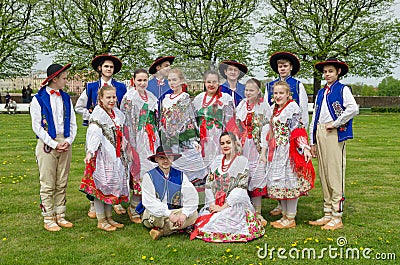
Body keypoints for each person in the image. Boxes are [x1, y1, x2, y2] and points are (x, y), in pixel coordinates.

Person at [308, 58, 359, 230]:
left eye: (330, 71)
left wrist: (336, 123)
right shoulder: (322, 92)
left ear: (338, 72)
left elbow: (353, 109)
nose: (327, 74)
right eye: (325, 71)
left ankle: (337, 215)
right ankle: (327, 212)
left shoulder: (342, 89)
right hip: (320, 131)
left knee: (334, 173)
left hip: (334, 132)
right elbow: (315, 116)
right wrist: (312, 140)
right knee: (324, 173)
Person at [75, 54, 127, 218]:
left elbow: (121, 111)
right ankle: (95, 207)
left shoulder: (120, 87)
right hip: (98, 137)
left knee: (113, 173)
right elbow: (80, 107)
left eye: (111, 67)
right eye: (106, 66)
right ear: (100, 68)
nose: (109, 69)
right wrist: (91, 117)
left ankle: (113, 204)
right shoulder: (91, 87)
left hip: (114, 137)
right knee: (100, 176)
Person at [190, 132, 265, 242]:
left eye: (228, 143)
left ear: (235, 144)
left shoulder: (242, 161)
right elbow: (209, 184)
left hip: (232, 204)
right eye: (222, 143)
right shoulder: (217, 161)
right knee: (208, 219)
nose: (225, 146)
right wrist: (212, 204)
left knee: (222, 220)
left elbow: (240, 188)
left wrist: (222, 207)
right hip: (216, 203)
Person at [260, 81, 315, 229]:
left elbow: (298, 130)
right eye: (276, 93)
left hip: (288, 151)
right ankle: (284, 215)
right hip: (276, 151)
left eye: (281, 93)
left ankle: (290, 217)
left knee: (290, 183)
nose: (278, 96)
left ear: (288, 94)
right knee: (280, 184)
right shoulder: (274, 109)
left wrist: (305, 147)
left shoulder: (292, 108)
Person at [30, 63, 77, 232]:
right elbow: (37, 127)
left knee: (62, 181)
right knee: (48, 182)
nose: (66, 80)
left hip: (64, 141)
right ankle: (48, 216)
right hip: (47, 143)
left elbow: (73, 123)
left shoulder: (65, 98)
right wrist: (54, 144)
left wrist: (68, 141)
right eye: (64, 78)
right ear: (55, 79)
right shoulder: (38, 99)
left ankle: (60, 214)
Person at [264, 51, 309, 217]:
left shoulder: (297, 85)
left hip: (290, 137)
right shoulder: (270, 86)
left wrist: (303, 141)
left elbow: (302, 113)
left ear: (291, 67)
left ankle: (289, 212)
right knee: (277, 173)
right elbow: (267, 111)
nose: (282, 69)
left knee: (289, 174)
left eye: (285, 66)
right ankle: (280, 205)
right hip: (276, 138)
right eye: (279, 66)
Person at [79, 85, 129, 231]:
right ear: (101, 98)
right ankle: (101, 219)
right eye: (108, 97)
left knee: (111, 186)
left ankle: (109, 217)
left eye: (114, 97)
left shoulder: (117, 114)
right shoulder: (98, 115)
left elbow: (120, 132)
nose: (112, 100)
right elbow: (94, 135)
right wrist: (90, 152)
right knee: (102, 186)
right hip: (103, 156)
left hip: (116, 155)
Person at [121, 68, 160, 223]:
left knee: (152, 170)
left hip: (152, 138)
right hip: (138, 139)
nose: (142, 83)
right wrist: (130, 145)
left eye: (145, 80)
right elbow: (126, 123)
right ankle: (134, 207)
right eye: (139, 80)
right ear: (134, 80)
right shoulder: (129, 98)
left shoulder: (151, 96)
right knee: (140, 172)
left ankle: (148, 207)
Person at [140, 145, 199, 240]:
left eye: (168, 157)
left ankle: (162, 231)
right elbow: (149, 202)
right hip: (156, 213)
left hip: (175, 211)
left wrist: (184, 215)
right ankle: (176, 227)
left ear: (172, 159)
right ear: (156, 159)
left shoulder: (180, 175)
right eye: (162, 158)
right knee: (156, 217)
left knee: (194, 214)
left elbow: (191, 196)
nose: (165, 161)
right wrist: (169, 214)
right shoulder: (149, 176)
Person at [235, 78, 271, 226]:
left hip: (257, 146)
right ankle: (244, 211)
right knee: (243, 175)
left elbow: (268, 126)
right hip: (243, 146)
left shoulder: (263, 105)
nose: (248, 93)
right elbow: (235, 124)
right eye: (246, 90)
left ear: (258, 91)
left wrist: (264, 149)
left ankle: (258, 213)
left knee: (257, 175)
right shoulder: (242, 105)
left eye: (252, 90)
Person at [160, 68, 206, 182]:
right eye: (169, 80)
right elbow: (163, 119)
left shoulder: (184, 97)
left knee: (188, 171)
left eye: (174, 80)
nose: (172, 83)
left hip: (183, 138)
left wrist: (193, 139)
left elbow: (189, 119)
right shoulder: (165, 99)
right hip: (169, 140)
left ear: (181, 80)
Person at [192, 70, 235, 170]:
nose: (211, 85)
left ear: (219, 83)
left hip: (219, 138)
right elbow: (193, 121)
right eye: (208, 82)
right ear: (204, 82)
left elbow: (230, 123)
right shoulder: (198, 99)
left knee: (219, 165)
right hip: (203, 139)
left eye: (214, 82)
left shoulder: (225, 98)